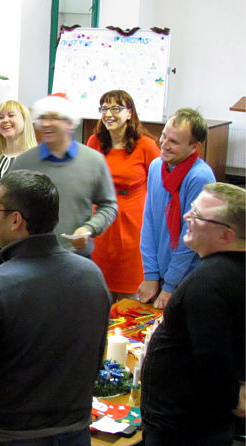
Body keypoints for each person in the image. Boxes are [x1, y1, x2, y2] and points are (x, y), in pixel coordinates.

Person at [0, 170, 111, 445]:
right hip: (75, 434)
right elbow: (94, 365)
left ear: (16, 220)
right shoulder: (92, 276)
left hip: (6, 437)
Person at [141, 182, 245, 445]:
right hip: (207, 422)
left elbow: (212, 354)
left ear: (226, 235)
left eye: (197, 215)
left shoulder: (207, 282)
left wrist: (234, 396)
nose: (186, 216)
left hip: (183, 427)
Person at [10, 93, 117, 258]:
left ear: (69, 122)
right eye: (42, 118)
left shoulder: (93, 161)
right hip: (32, 256)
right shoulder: (24, 162)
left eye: (54, 117)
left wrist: (89, 228)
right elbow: (7, 205)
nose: (46, 124)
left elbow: (109, 205)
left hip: (77, 257)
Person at [138, 108, 216, 309]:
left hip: (187, 277)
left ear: (194, 146)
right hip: (160, 274)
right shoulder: (156, 166)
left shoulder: (200, 177)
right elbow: (149, 221)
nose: (164, 144)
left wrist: (170, 286)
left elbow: (189, 238)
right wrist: (150, 275)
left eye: (173, 141)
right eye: (164, 136)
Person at [87, 90, 160, 301]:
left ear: (129, 113)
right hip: (102, 217)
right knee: (100, 287)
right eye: (104, 109)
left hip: (134, 221)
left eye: (115, 109)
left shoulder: (146, 145)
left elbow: (158, 184)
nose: (108, 114)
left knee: (131, 287)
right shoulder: (95, 141)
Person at [0, 100, 37, 277]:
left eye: (11, 115)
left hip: (19, 233)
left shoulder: (34, 157)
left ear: (24, 120)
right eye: (0, 117)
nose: (5, 120)